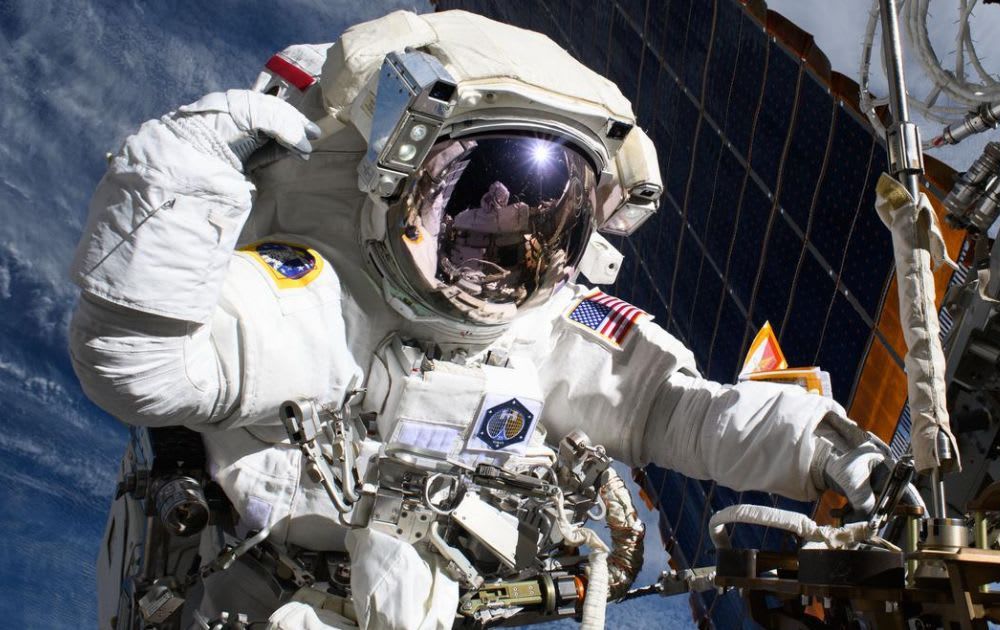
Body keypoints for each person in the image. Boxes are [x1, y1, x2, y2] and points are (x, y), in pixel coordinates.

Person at [70, 10, 894, 630]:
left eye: (547, 224)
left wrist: (829, 449)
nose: (509, 248)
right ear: (395, 184)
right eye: (474, 205)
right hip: (263, 586)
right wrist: (174, 189)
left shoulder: (545, 331)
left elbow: (684, 412)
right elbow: (138, 364)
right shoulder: (322, 296)